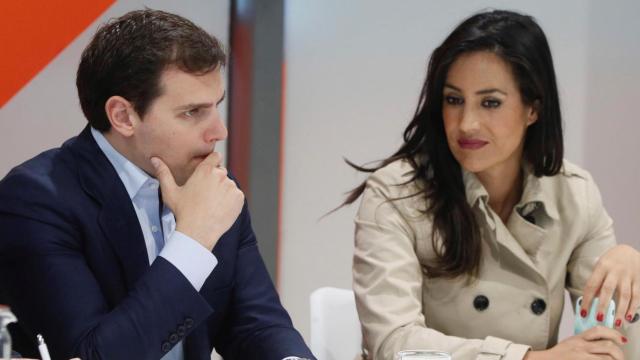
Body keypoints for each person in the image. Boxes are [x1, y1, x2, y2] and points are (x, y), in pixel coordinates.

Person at [0, 9, 314, 360]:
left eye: (216, 107)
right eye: (192, 112)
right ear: (123, 116)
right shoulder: (36, 201)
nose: (218, 132)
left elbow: (257, 325)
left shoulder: (213, 188)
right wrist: (192, 240)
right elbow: (92, 353)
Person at [344, 9, 639, 360]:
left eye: (490, 103)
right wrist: (528, 359)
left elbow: (612, 345)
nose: (467, 123)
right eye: (454, 100)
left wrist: (626, 275)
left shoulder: (574, 195)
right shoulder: (395, 194)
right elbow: (392, 344)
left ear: (533, 109)